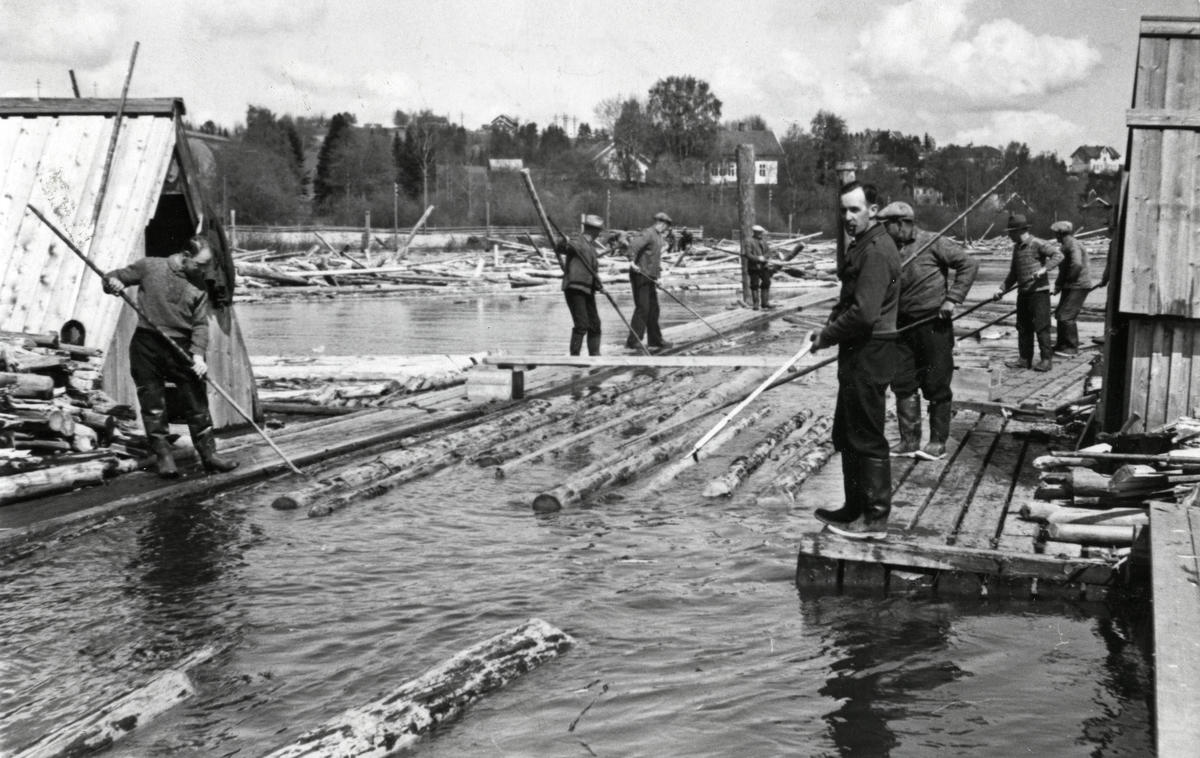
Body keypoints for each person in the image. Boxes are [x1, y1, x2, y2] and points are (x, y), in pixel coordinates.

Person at [103, 235, 239, 478]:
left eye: (206, 267)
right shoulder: (149, 266)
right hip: (147, 342)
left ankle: (209, 455)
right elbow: (111, 277)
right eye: (199, 264)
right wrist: (113, 284)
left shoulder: (199, 285)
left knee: (197, 403)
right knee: (153, 403)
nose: (202, 270)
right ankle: (164, 456)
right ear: (185, 256)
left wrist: (198, 355)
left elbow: (200, 325)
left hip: (182, 347)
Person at [810, 182, 900, 540]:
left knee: (866, 435)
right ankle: (854, 508)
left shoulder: (877, 250)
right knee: (846, 433)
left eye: (855, 210)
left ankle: (875, 519)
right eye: (843, 210)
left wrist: (827, 336)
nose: (847, 217)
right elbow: (848, 302)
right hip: (857, 349)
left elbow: (863, 315)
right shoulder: (860, 247)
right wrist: (828, 327)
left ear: (873, 210)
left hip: (872, 349)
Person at [878, 202, 979, 459]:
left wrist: (952, 298)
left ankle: (937, 442)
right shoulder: (887, 248)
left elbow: (969, 264)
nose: (883, 230)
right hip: (901, 326)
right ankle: (909, 441)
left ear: (901, 223)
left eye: (886, 225)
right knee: (902, 382)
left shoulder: (933, 242)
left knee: (936, 383)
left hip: (933, 324)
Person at [995, 214, 1063, 372]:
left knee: (1041, 327)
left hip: (1039, 293)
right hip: (1023, 293)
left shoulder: (1037, 243)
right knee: (1023, 327)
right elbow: (1013, 273)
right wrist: (1001, 289)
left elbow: (1058, 255)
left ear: (1019, 231)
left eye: (1011, 232)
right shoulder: (1017, 247)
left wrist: (1044, 269)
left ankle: (1046, 360)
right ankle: (1024, 360)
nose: (1009, 235)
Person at [556, 214, 605, 356]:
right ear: (592, 230)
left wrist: (600, 286)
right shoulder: (577, 241)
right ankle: (574, 357)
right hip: (575, 288)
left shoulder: (591, 248)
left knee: (595, 325)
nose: (599, 234)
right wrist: (563, 242)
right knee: (582, 324)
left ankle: (595, 356)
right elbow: (561, 248)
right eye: (598, 231)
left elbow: (593, 272)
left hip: (588, 289)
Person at [625, 211, 673, 351]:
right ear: (661, 223)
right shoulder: (648, 233)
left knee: (653, 309)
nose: (667, 229)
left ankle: (655, 340)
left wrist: (658, 277)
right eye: (667, 226)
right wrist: (631, 261)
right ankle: (633, 341)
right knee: (643, 308)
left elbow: (653, 259)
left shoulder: (657, 237)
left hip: (650, 277)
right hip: (640, 275)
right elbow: (633, 246)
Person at [1050, 220, 1091, 357]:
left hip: (1078, 285)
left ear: (1060, 234)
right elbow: (1063, 270)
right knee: (1059, 314)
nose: (1055, 236)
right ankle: (1062, 344)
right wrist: (1058, 285)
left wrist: (1069, 280)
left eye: (1056, 233)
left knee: (1066, 316)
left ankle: (1071, 347)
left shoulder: (1072, 244)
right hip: (1071, 285)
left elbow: (1077, 265)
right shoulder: (1064, 246)